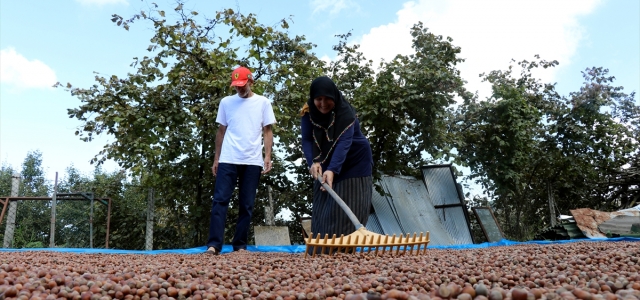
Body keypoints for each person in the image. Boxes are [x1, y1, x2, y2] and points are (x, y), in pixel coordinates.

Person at [206, 66, 276, 255]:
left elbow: (267, 131)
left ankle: (240, 246)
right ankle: (214, 245)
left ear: (251, 82)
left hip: (252, 160)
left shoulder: (263, 102)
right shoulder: (226, 102)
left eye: (242, 85)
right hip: (228, 158)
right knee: (220, 200)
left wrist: (267, 156)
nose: (239, 89)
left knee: (247, 204)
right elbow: (221, 131)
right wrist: (216, 158)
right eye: (236, 86)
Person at [300, 76, 373, 240]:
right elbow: (307, 139)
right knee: (323, 207)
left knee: (347, 207)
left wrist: (332, 169)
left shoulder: (346, 113)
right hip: (325, 157)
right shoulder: (308, 112)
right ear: (313, 98)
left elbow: (344, 142)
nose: (323, 104)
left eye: (328, 99)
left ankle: (344, 252)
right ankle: (321, 251)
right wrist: (314, 162)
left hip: (354, 160)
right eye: (319, 99)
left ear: (335, 97)